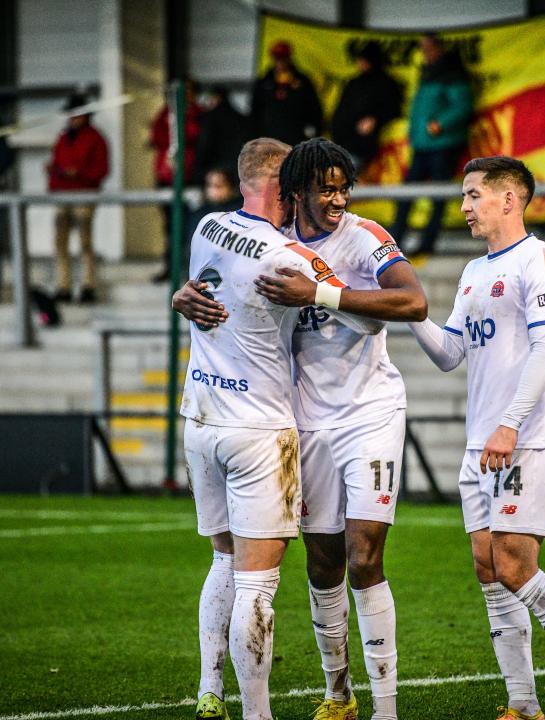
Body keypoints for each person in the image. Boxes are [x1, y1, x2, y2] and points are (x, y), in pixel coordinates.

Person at [175, 138, 428, 720]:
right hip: (294, 421)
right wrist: (183, 296)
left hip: (362, 414)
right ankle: (337, 694)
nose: (337, 200)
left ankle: (383, 709)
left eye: (343, 189)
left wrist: (319, 293)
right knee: (317, 563)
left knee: (360, 558)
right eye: (324, 189)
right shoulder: (282, 244)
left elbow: (411, 302)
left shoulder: (358, 236)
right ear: (292, 190)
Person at [409, 156, 545, 720]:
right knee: (489, 570)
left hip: (524, 437)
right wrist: (407, 311)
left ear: (510, 199)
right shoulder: (472, 272)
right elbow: (450, 353)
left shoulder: (542, 261)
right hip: (480, 442)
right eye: (464, 196)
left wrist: (509, 423)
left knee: (514, 566)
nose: (464, 206)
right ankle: (523, 704)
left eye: (473, 195)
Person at [180, 137, 351, 720]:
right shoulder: (288, 256)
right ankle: (258, 714)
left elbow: (198, 291)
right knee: (258, 584)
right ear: (287, 187)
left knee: (222, 560)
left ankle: (210, 691)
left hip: (201, 417)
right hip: (259, 429)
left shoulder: (207, 227)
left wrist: (179, 298)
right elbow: (362, 315)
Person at [390, 34, 473, 260]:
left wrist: (440, 124)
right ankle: (393, 242)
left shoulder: (452, 74)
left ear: (439, 48)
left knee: (437, 197)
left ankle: (427, 243)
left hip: (443, 145)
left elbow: (463, 107)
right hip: (423, 144)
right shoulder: (427, 73)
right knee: (407, 194)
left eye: (428, 48)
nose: (424, 53)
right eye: (422, 48)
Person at [47, 93, 109, 303]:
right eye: (71, 115)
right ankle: (63, 286)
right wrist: (55, 176)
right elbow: (56, 164)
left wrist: (79, 173)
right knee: (60, 242)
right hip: (63, 195)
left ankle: (88, 285)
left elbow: (101, 169)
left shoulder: (95, 138)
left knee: (85, 242)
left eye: (77, 115)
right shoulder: (64, 137)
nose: (73, 119)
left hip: (84, 194)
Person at [150, 79, 203, 283]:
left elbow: (195, 136)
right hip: (166, 178)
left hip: (189, 178)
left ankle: (190, 268)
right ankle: (170, 266)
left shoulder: (198, 114)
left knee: (191, 226)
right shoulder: (165, 114)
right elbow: (156, 137)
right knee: (169, 227)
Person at [331, 41, 404, 174]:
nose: (360, 63)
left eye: (364, 60)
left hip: (362, 146)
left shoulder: (386, 84)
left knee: (343, 176)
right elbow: (340, 112)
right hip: (341, 143)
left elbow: (393, 109)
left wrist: (375, 119)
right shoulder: (353, 83)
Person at [251, 40, 325, 147]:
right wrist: (255, 137)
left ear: (289, 58)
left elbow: (314, 108)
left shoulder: (303, 82)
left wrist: (314, 132)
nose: (280, 62)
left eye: (283, 58)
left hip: (297, 139)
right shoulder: (264, 82)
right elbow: (255, 112)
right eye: (277, 58)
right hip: (270, 140)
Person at [195, 85, 254, 186]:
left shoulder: (210, 118)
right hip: (236, 168)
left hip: (215, 167)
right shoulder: (239, 117)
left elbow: (205, 144)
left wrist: (199, 169)